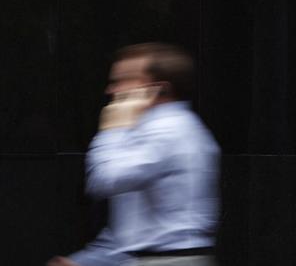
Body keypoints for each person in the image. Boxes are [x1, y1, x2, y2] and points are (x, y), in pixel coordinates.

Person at [52, 43, 220, 266]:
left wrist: (112, 129)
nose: (111, 90)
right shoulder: (152, 131)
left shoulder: (167, 132)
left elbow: (105, 179)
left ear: (159, 89)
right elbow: (134, 229)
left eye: (122, 80)